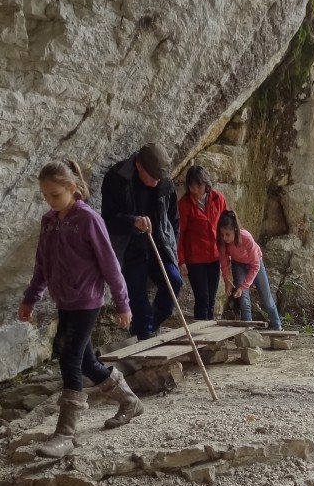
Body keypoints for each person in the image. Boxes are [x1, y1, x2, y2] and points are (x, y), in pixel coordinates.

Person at [18, 159, 144, 459]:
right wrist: (30, 298)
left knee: (70, 359)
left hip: (87, 301)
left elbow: (110, 265)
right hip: (64, 301)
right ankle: (130, 402)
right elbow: (42, 265)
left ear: (72, 188)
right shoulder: (49, 222)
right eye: (45, 195)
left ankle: (65, 434)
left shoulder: (88, 219)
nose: (50, 201)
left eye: (55, 194)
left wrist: (122, 303)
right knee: (87, 362)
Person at [100, 142, 182, 340]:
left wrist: (172, 246)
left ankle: (150, 327)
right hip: (130, 250)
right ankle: (145, 335)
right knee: (139, 304)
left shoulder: (164, 181)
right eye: (153, 177)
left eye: (160, 178)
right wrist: (133, 222)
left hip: (158, 246)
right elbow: (108, 220)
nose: (157, 182)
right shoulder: (117, 178)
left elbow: (173, 219)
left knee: (174, 281)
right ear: (138, 166)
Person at [216, 210, 283, 330]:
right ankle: (249, 329)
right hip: (238, 265)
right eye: (222, 234)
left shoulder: (246, 237)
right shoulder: (223, 242)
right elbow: (224, 262)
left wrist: (244, 286)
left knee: (266, 298)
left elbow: (255, 265)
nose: (224, 238)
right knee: (243, 300)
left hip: (255, 263)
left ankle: (278, 326)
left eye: (227, 234)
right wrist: (226, 279)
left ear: (235, 230)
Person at [177, 165, 228, 319]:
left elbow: (226, 226)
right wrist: (181, 260)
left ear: (206, 184)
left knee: (211, 301)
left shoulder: (218, 199)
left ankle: (209, 332)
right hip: (195, 259)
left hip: (214, 257)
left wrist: (227, 252)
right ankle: (200, 332)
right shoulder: (184, 204)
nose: (195, 190)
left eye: (199, 186)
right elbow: (180, 234)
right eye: (191, 186)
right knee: (202, 300)